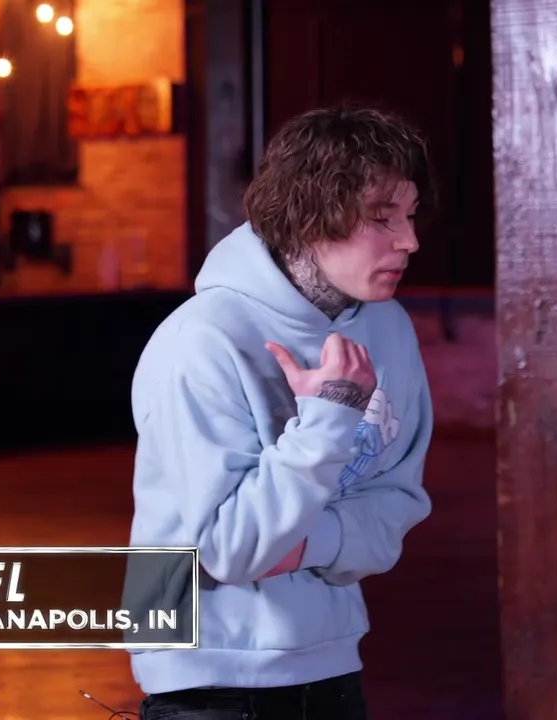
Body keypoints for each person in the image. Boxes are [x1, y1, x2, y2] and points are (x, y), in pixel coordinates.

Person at [128, 105, 436, 720]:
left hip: (333, 660)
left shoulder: (389, 328)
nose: (409, 240)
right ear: (308, 215)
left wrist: (304, 542)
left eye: (410, 215)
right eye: (382, 217)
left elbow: (399, 504)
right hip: (207, 678)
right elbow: (230, 551)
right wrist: (329, 416)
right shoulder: (200, 340)